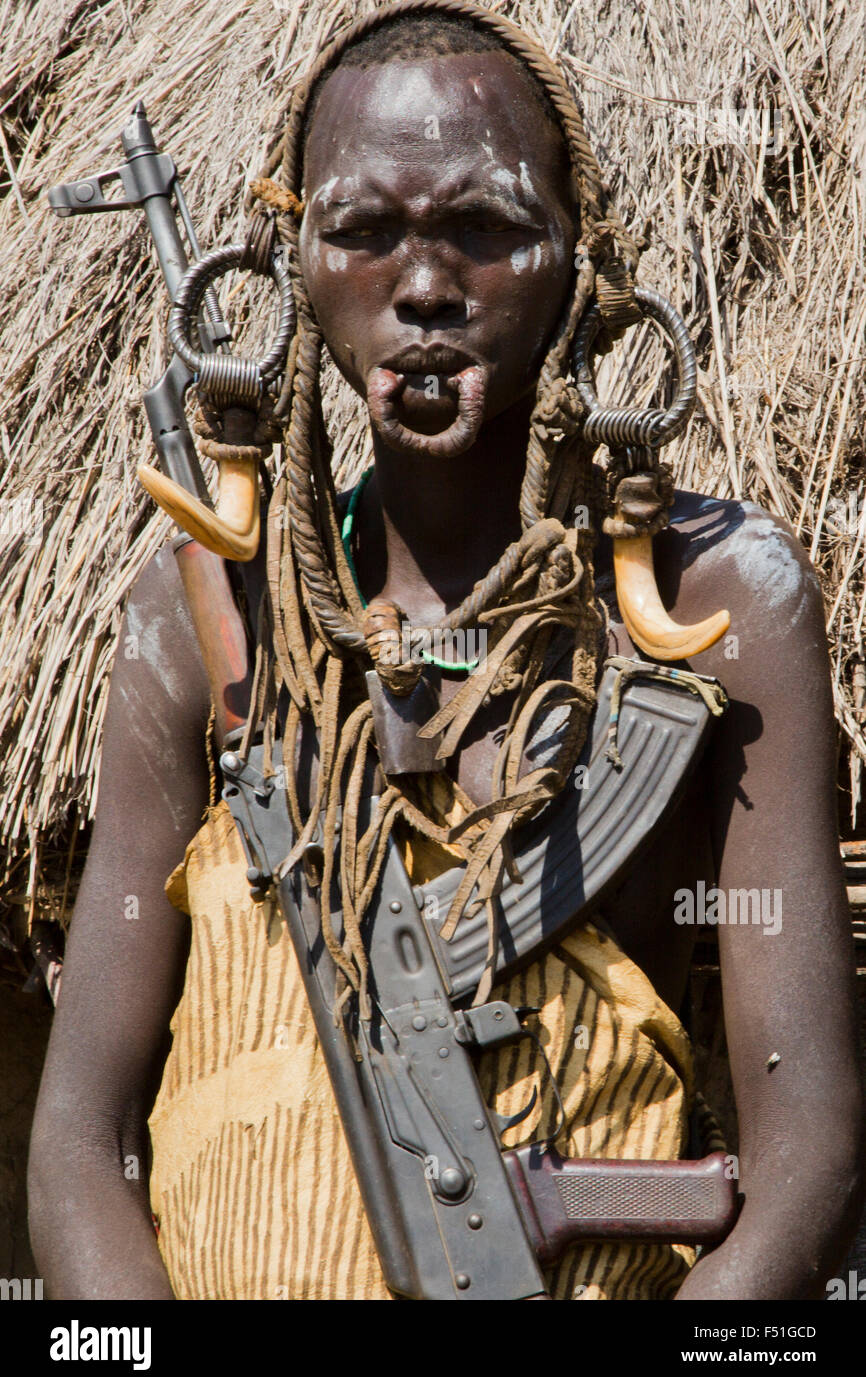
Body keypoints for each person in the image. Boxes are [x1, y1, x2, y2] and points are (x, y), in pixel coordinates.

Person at [29, 1, 863, 1301]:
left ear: (580, 267)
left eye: (484, 227)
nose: (421, 285)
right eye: (361, 231)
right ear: (293, 265)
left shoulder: (717, 602)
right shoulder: (198, 615)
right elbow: (76, 1143)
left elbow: (805, 1148)